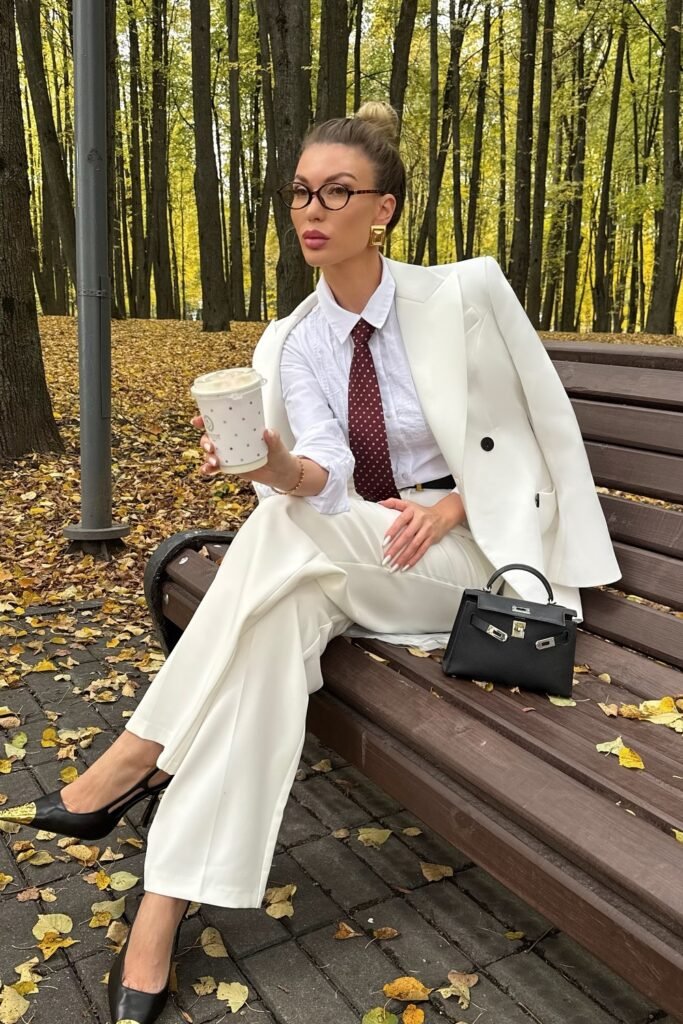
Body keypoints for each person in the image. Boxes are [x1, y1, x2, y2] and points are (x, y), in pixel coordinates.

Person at [0, 101, 620, 1024]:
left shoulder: (463, 295)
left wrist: (453, 503)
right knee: (283, 598)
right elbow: (319, 479)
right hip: (353, 551)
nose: (311, 210)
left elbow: (531, 430)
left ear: (386, 209)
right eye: (299, 193)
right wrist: (267, 466)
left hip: (465, 558)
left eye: (336, 191)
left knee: (287, 545)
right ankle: (161, 906)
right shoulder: (293, 342)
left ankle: (135, 754)